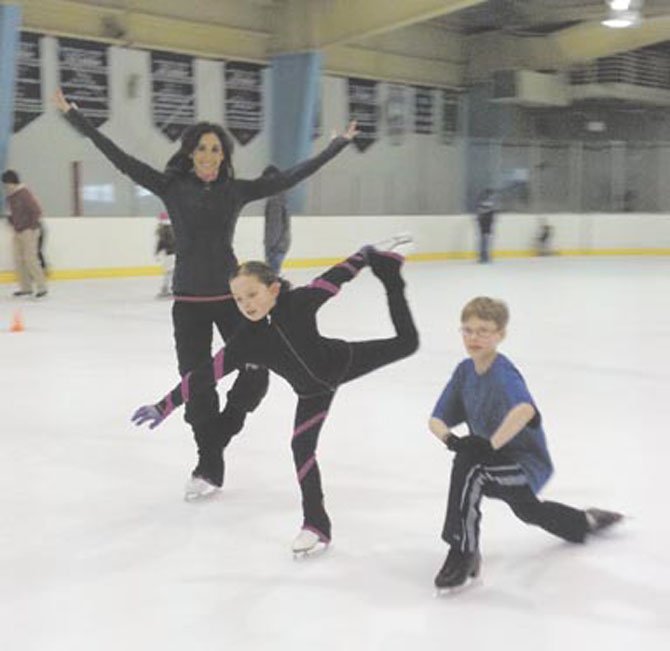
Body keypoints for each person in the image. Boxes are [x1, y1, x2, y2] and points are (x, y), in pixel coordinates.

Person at [53, 88, 358, 501]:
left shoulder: (236, 190)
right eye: (202, 149)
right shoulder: (171, 186)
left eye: (216, 149)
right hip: (189, 304)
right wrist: (76, 117)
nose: (209, 155)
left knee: (255, 373)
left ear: (223, 155)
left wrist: (336, 146)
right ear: (191, 153)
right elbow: (118, 157)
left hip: (234, 300)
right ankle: (209, 464)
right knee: (198, 383)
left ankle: (217, 436)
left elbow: (289, 177)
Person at [131, 239, 419, 554]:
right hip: (311, 394)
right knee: (301, 446)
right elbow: (202, 377)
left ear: (274, 289)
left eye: (252, 294)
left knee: (407, 343)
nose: (247, 304)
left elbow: (335, 277)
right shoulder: (245, 342)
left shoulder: (299, 302)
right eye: (239, 299)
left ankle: (391, 272)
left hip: (343, 361)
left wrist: (364, 256)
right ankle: (316, 526)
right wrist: (164, 406)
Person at [428, 296, 622, 590]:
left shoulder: (503, 371)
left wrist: (489, 445)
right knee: (527, 510)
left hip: (523, 465)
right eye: (467, 330)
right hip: (494, 463)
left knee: (472, 467)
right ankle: (584, 521)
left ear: (500, 335)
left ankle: (463, 550)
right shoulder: (464, 371)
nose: (474, 337)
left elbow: (525, 410)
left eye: (483, 330)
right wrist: (452, 439)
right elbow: (436, 418)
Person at [1, 170, 48, 298]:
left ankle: (41, 287)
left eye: (7, 184)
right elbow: (10, 213)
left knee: (30, 258)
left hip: (29, 230)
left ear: (13, 182)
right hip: (18, 231)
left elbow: (36, 211)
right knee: (18, 259)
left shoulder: (24, 193)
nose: (6, 187)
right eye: (4, 185)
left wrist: (31, 227)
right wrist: (12, 222)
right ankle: (26, 288)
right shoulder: (10, 197)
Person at [262, 165, 291, 274]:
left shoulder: (274, 199)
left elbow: (275, 225)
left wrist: (271, 245)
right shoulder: (281, 195)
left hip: (276, 246)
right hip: (281, 243)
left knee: (272, 278)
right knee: (273, 277)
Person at [155, 210, 175, 298]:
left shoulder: (164, 230)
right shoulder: (170, 229)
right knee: (170, 271)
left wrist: (157, 251)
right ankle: (167, 288)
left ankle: (167, 288)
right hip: (172, 253)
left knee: (169, 271)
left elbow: (161, 243)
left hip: (170, 254)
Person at [475, 188, 496, 263]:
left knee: (485, 239)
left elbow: (481, 212)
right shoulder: (486, 203)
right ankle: (484, 255)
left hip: (487, 222)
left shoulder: (488, 204)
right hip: (484, 222)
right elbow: (481, 211)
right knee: (484, 239)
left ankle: (485, 255)